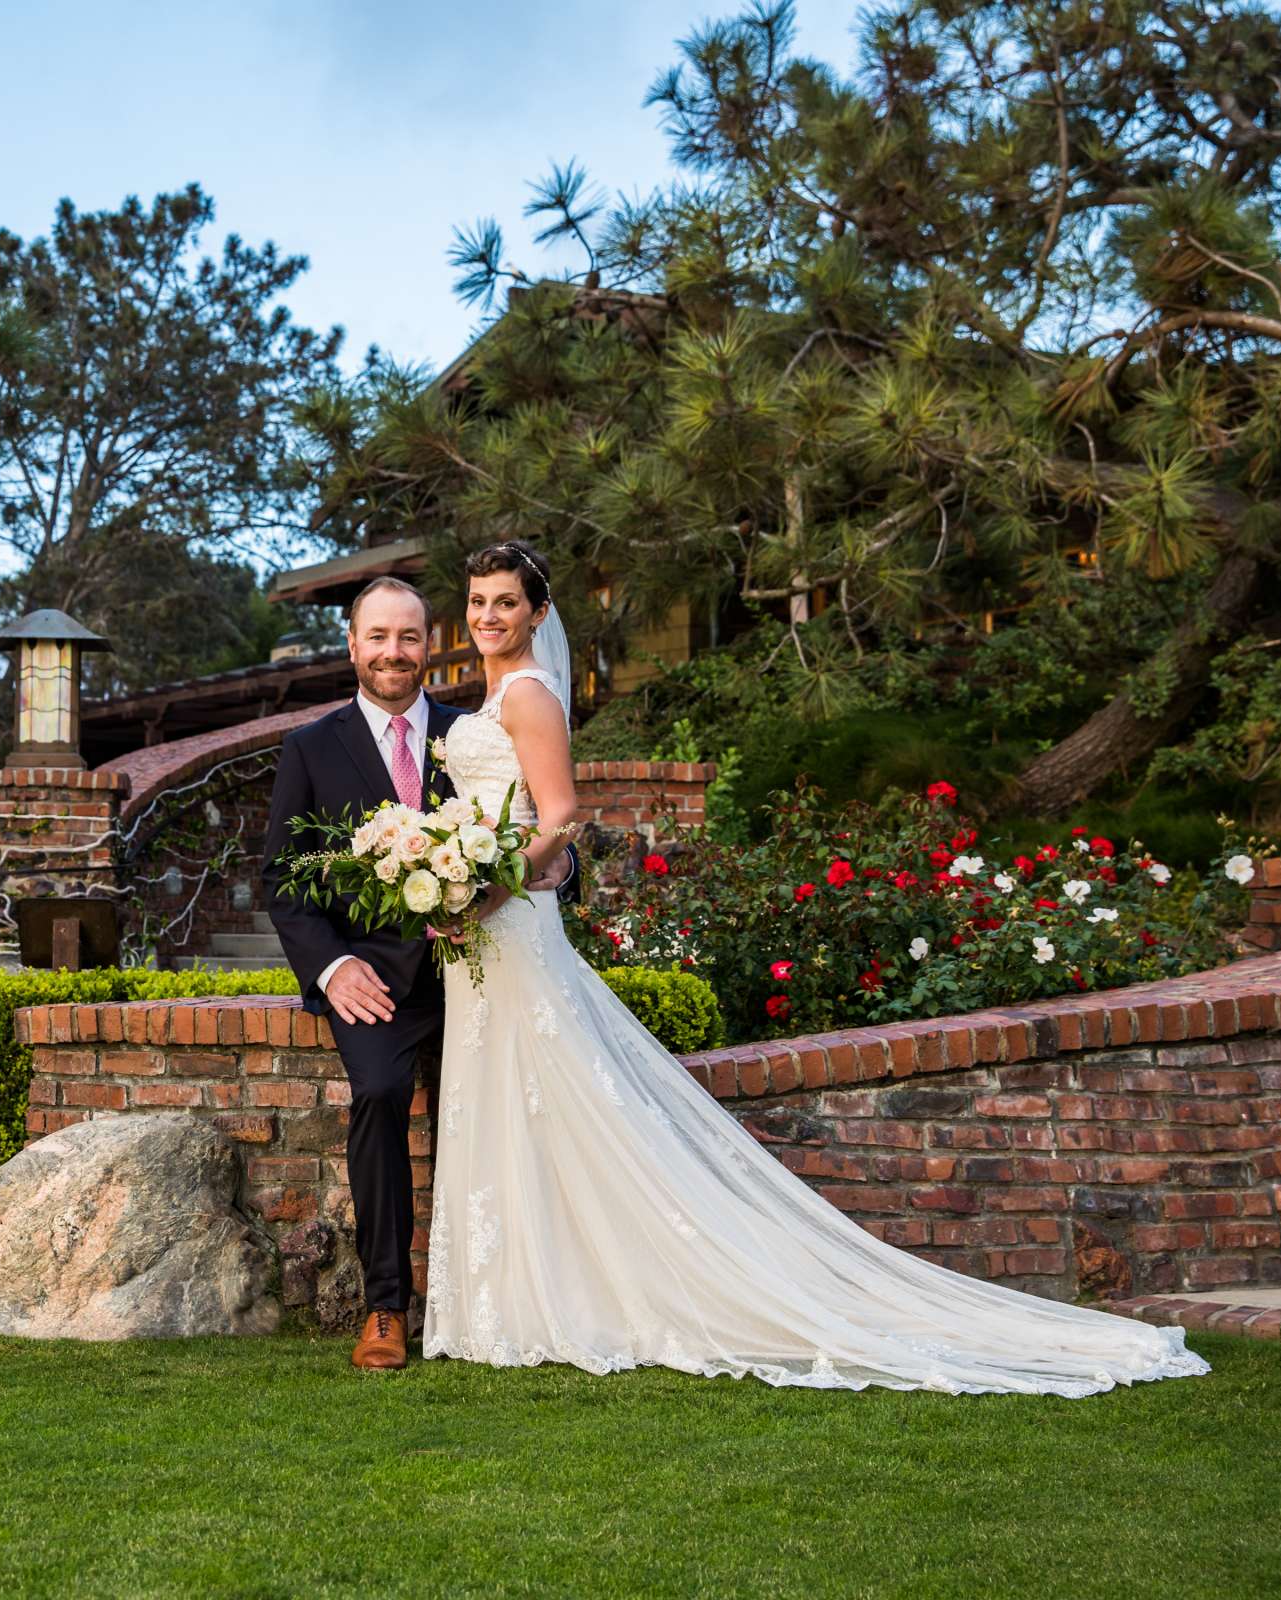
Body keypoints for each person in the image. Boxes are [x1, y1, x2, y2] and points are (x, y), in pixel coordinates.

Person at [417, 539, 1208, 1394]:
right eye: (476, 601)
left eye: (505, 602)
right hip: (478, 934)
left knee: (554, 1097)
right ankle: (514, 1297)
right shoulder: (492, 693)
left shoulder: (529, 696)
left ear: (537, 612)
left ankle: (571, 1294)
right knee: (512, 1100)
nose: (488, 616)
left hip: (511, 924)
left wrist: (488, 887)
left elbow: (562, 814)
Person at [259, 575, 578, 1371]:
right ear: (353, 646)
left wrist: (559, 868)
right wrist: (331, 969)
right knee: (377, 1095)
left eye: (409, 637)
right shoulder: (310, 747)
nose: (394, 653)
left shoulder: (471, 732)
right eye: (379, 637)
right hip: (372, 981)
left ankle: (521, 1291)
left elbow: (538, 821)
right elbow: (281, 877)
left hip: (479, 968)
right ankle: (385, 1306)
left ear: (428, 646)